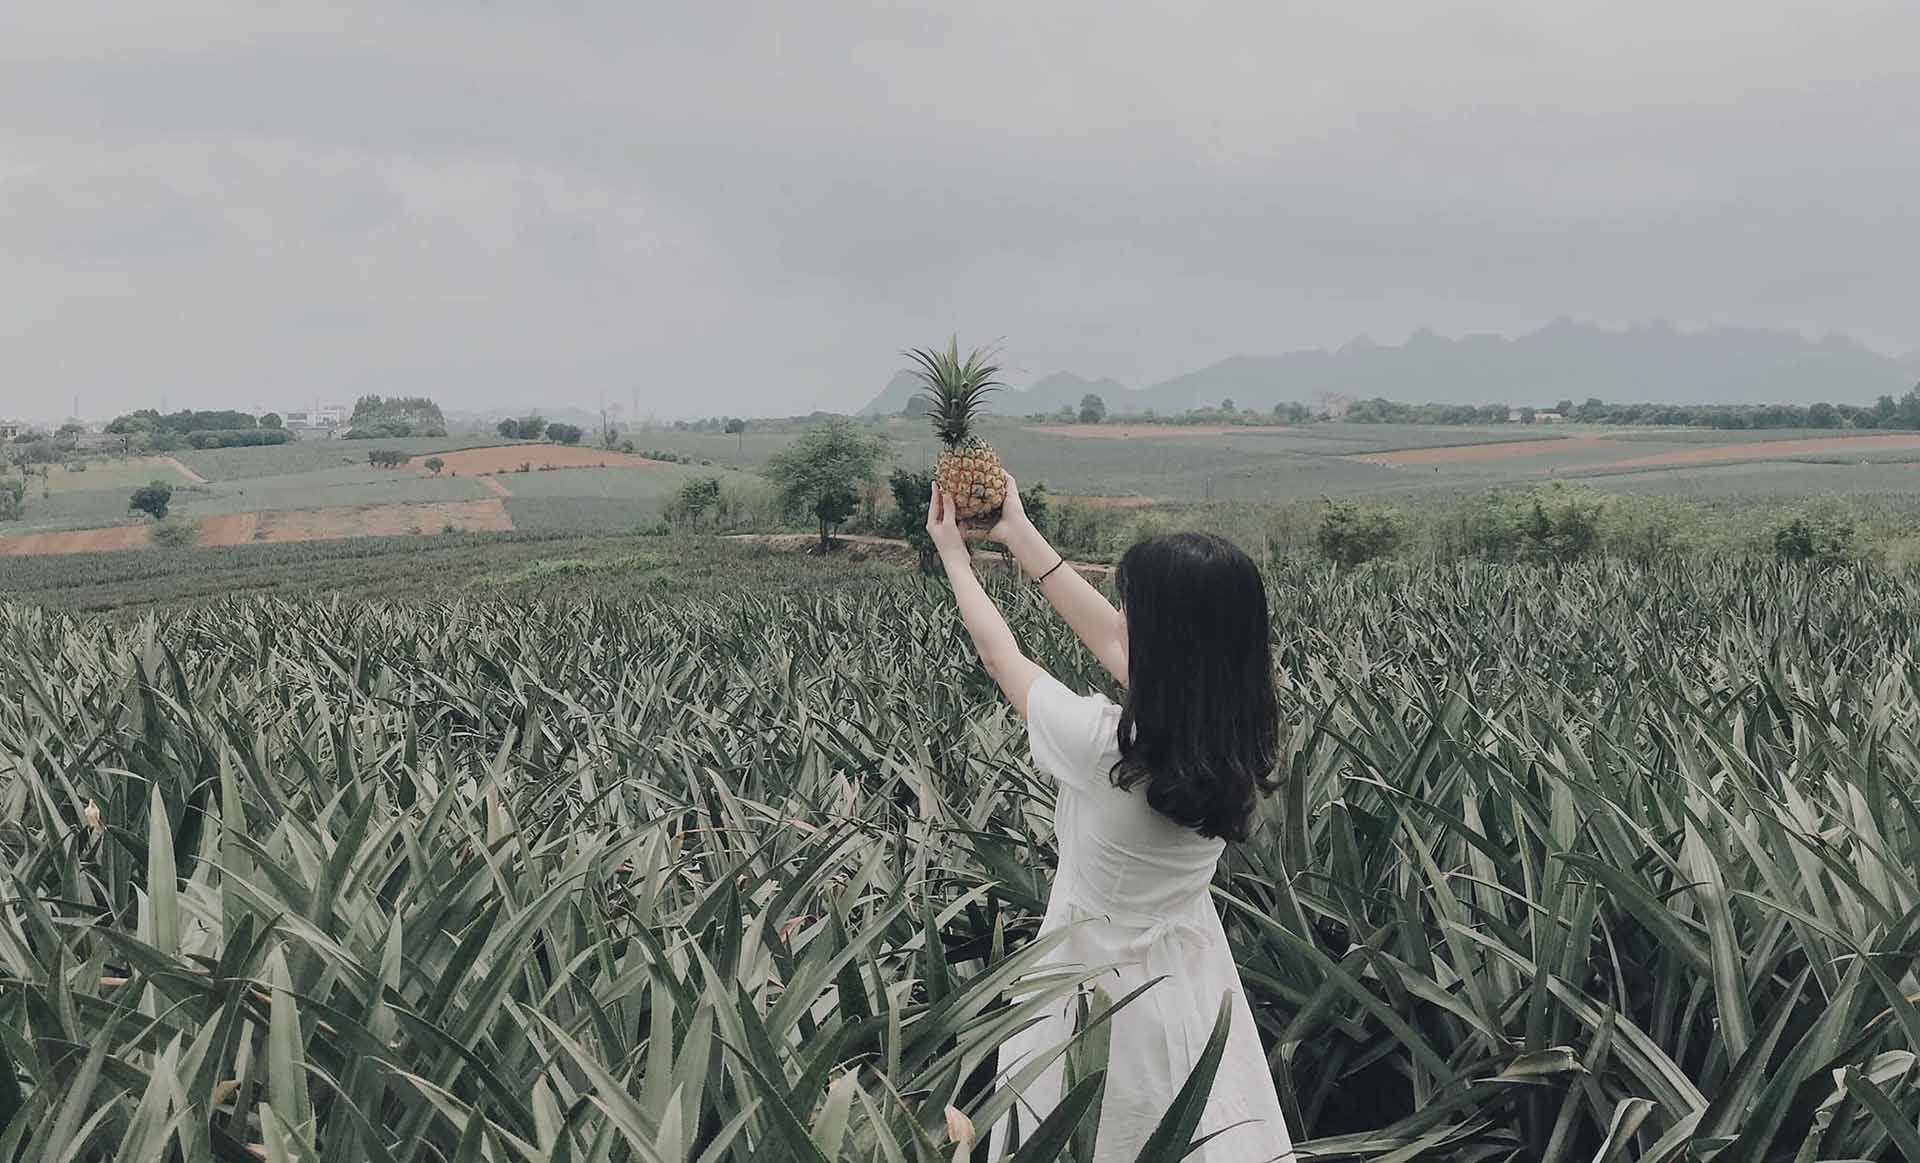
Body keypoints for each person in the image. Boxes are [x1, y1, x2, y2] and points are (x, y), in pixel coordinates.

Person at [925, 474, 1295, 1162]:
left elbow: (1001, 656)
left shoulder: (1105, 746)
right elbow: (1117, 645)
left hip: (1088, 985)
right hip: (1189, 976)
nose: (1119, 615)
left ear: (1162, 640)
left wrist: (952, 553)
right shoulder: (1235, 737)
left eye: (1130, 606)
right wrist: (1018, 533)